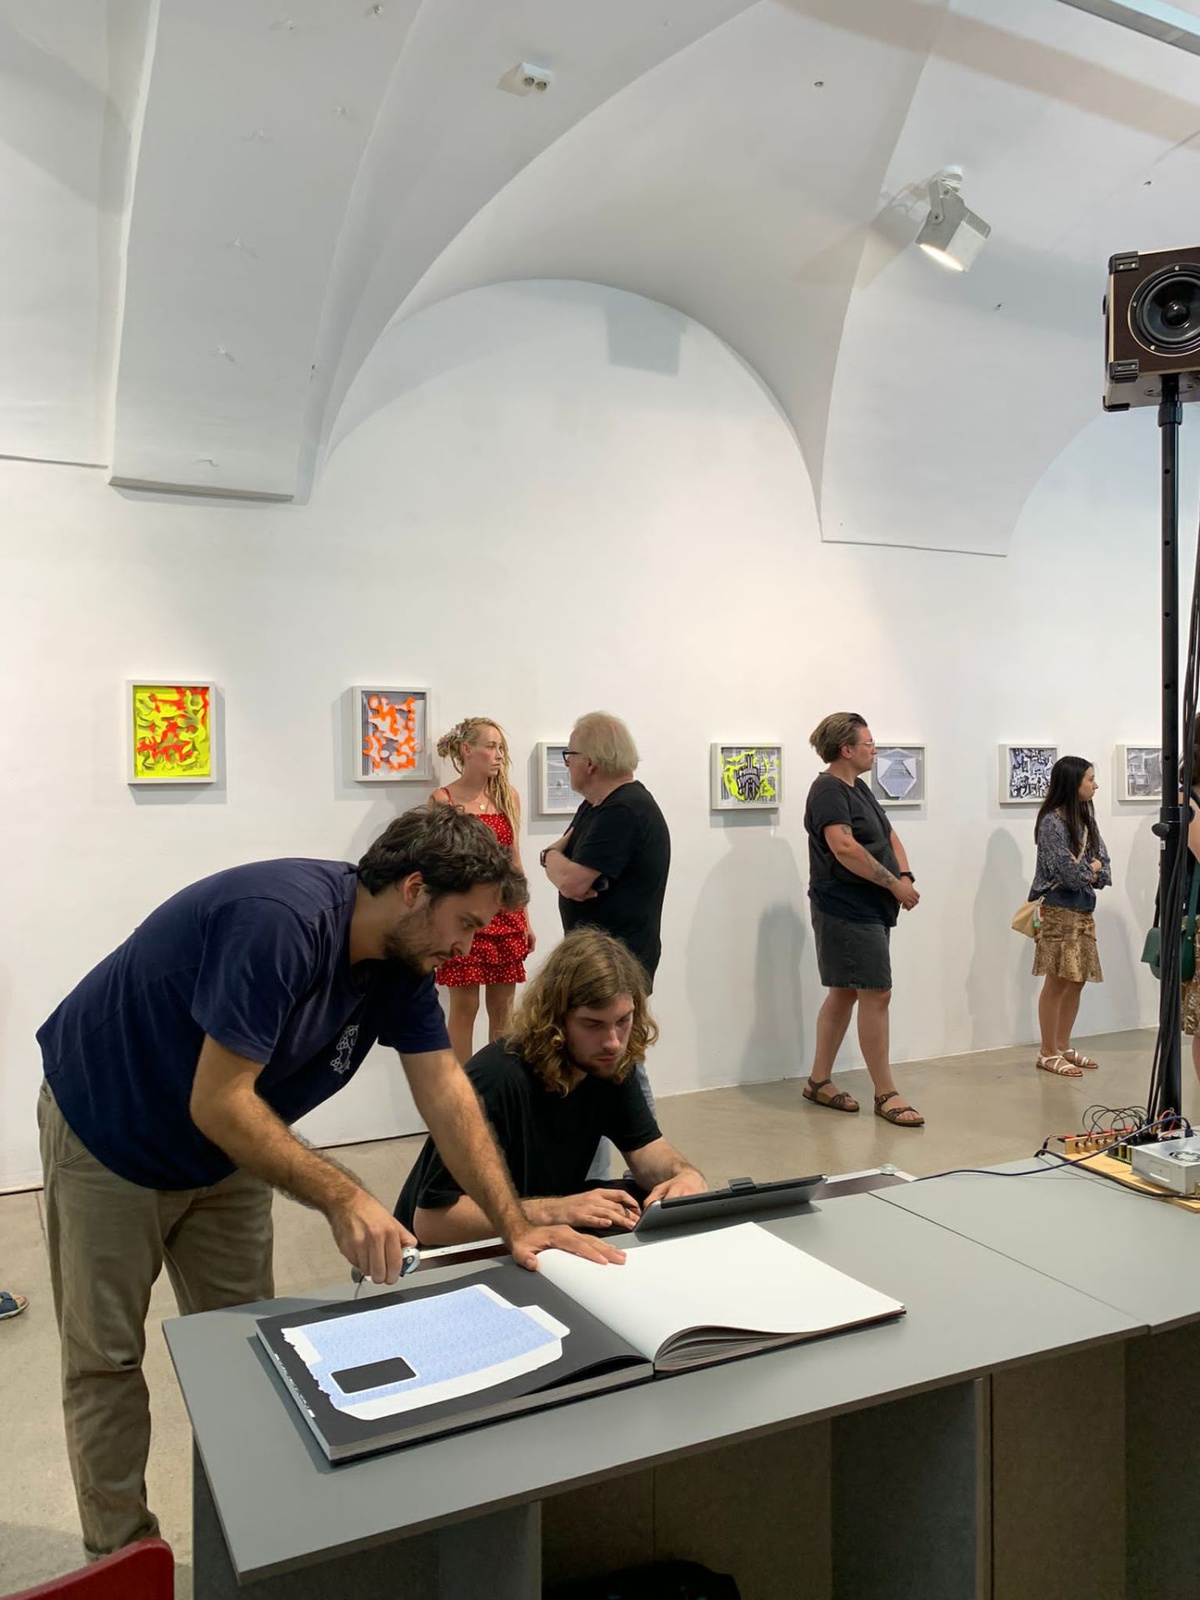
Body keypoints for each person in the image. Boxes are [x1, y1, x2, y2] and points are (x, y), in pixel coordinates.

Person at [36, 806, 621, 1560]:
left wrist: (514, 1222)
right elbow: (218, 1101)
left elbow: (445, 1088)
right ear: (415, 889)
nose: (467, 947)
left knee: (241, 1348)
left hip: (227, 1151)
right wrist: (347, 1198)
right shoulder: (279, 924)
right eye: (467, 923)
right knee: (107, 1360)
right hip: (110, 1131)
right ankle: (122, 1561)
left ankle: (247, 1546)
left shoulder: (402, 962)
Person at [396, 928, 706, 1242]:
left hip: (529, 1236)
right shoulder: (496, 1079)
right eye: (593, 1024)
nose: (613, 1042)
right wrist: (557, 1210)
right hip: (438, 1258)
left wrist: (683, 1175)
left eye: (623, 1021)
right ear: (556, 1019)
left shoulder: (606, 1064)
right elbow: (432, 1222)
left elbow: (647, 1151)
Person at [541, 712, 670, 1171]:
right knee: (598, 1069)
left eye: (569, 755)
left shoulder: (623, 811)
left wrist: (552, 859)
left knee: (620, 1065)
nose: (567, 764)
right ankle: (598, 1174)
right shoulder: (597, 808)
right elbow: (562, 861)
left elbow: (573, 880)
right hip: (602, 963)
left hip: (618, 966)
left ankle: (653, 1171)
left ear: (590, 762)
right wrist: (553, 858)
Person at [802, 713, 924, 1128]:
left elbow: (888, 835)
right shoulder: (827, 791)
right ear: (846, 749)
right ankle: (886, 1092)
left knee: (844, 992)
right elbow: (844, 848)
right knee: (876, 992)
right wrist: (894, 884)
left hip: (867, 906)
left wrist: (905, 876)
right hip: (844, 907)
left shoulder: (858, 788)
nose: (875, 749)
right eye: (869, 743)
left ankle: (818, 1081)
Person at [429, 717, 534, 1063]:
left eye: (501, 747)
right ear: (467, 750)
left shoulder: (508, 797)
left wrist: (525, 918)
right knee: (464, 1007)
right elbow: (439, 868)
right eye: (491, 746)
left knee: (503, 1010)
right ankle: (461, 1086)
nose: (499, 754)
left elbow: (514, 859)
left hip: (505, 914)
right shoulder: (444, 800)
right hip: (466, 915)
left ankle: (498, 1083)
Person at [1025, 756, 1111, 1075]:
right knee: (1057, 979)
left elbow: (1105, 864)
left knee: (1077, 979)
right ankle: (1047, 1052)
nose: (1095, 785)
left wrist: (1092, 870)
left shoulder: (1086, 819)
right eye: (1090, 779)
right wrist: (1091, 870)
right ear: (1073, 783)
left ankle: (1062, 1045)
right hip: (1059, 910)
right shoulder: (1052, 822)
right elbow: (1070, 874)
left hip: (1084, 910)